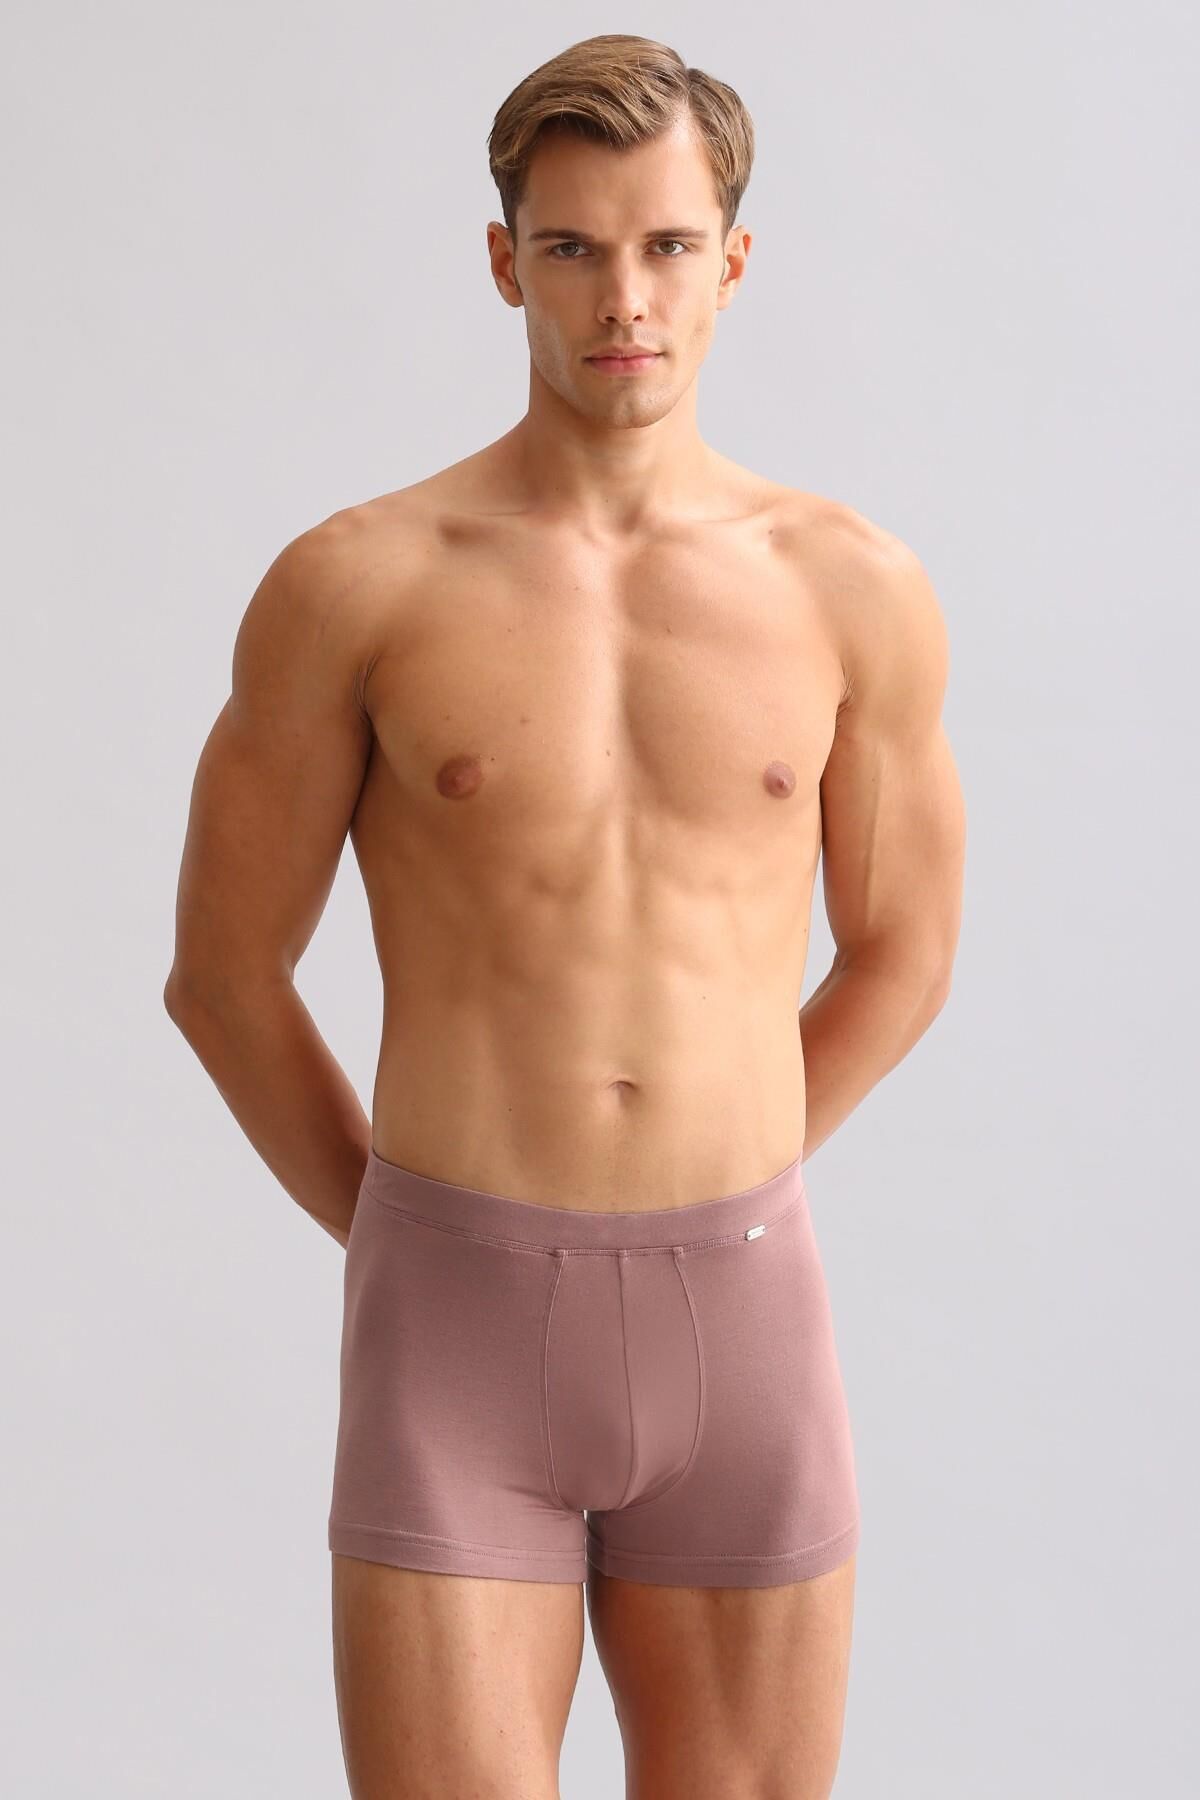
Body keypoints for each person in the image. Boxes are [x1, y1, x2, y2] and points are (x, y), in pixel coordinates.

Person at [164, 31, 966, 1800]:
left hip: (744, 1314)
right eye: (574, 248)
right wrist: (406, 1234)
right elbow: (222, 977)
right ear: (503, 260)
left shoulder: (851, 589)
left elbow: (906, 946)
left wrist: (737, 1161)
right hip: (453, 1320)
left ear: (733, 261)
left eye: (668, 246)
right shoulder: (357, 584)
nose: (625, 298)